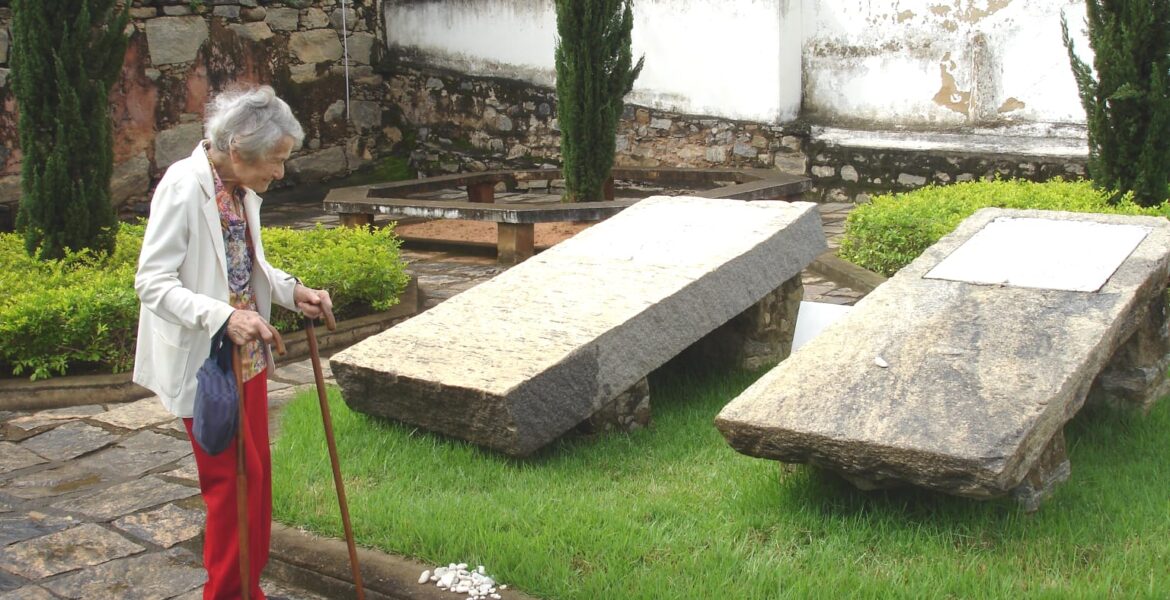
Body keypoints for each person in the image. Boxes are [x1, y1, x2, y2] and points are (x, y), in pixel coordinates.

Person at [133, 84, 332, 600]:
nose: (280, 172)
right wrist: (224, 318)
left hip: (247, 357)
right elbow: (152, 282)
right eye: (276, 159)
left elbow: (245, 265)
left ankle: (248, 589)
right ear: (239, 148)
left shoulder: (241, 189)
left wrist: (294, 292)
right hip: (208, 367)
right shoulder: (183, 186)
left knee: (256, 481)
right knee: (230, 490)